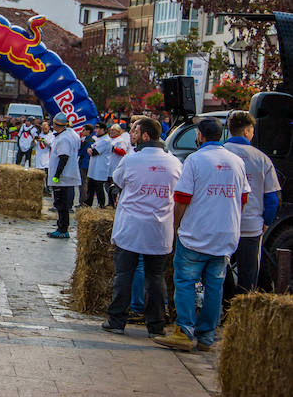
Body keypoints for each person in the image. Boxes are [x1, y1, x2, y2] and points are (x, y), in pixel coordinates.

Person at [153, 118, 250, 352]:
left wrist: (176, 227)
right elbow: (243, 199)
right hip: (225, 235)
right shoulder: (236, 161)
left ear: (199, 135)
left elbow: (182, 199)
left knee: (185, 281)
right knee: (214, 285)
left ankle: (184, 331)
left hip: (197, 234)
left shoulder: (195, 160)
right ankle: (206, 336)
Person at [101, 117, 182, 337]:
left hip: (132, 227)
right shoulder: (174, 162)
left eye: (135, 131)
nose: (132, 135)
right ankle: (156, 326)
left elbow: (118, 181)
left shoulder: (131, 160)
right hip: (159, 229)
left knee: (124, 275)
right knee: (155, 278)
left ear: (145, 135)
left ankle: (117, 320)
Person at [223, 110, 280, 292]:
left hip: (220, 224)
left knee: (218, 270)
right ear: (247, 131)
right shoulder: (261, 158)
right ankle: (241, 308)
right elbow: (272, 197)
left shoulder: (218, 154)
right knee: (248, 273)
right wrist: (267, 222)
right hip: (250, 225)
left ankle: (224, 303)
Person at [47, 113, 81, 239]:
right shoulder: (66, 135)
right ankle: (60, 227)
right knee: (60, 204)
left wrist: (57, 175)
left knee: (61, 204)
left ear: (56, 124)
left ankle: (63, 229)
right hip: (64, 176)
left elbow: (64, 157)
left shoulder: (64, 139)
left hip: (62, 177)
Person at [85, 122, 111, 207]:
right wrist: (89, 149)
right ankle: (88, 204)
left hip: (100, 168)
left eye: (97, 128)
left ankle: (101, 205)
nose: (96, 130)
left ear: (103, 130)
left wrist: (90, 150)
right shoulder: (99, 139)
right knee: (90, 188)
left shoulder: (106, 140)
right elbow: (90, 148)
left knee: (99, 188)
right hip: (93, 167)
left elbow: (94, 152)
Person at [107, 124, 131, 207]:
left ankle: (114, 203)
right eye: (111, 130)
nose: (111, 132)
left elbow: (123, 152)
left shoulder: (120, 140)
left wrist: (114, 149)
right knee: (108, 186)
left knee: (114, 187)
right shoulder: (109, 139)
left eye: (114, 130)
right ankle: (110, 202)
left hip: (116, 165)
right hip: (108, 166)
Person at [77, 124, 95, 207]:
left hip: (85, 163)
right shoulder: (87, 140)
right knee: (83, 183)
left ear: (88, 131)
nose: (82, 131)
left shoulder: (89, 141)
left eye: (84, 130)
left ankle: (83, 201)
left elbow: (82, 152)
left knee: (83, 183)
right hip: (84, 162)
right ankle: (82, 201)